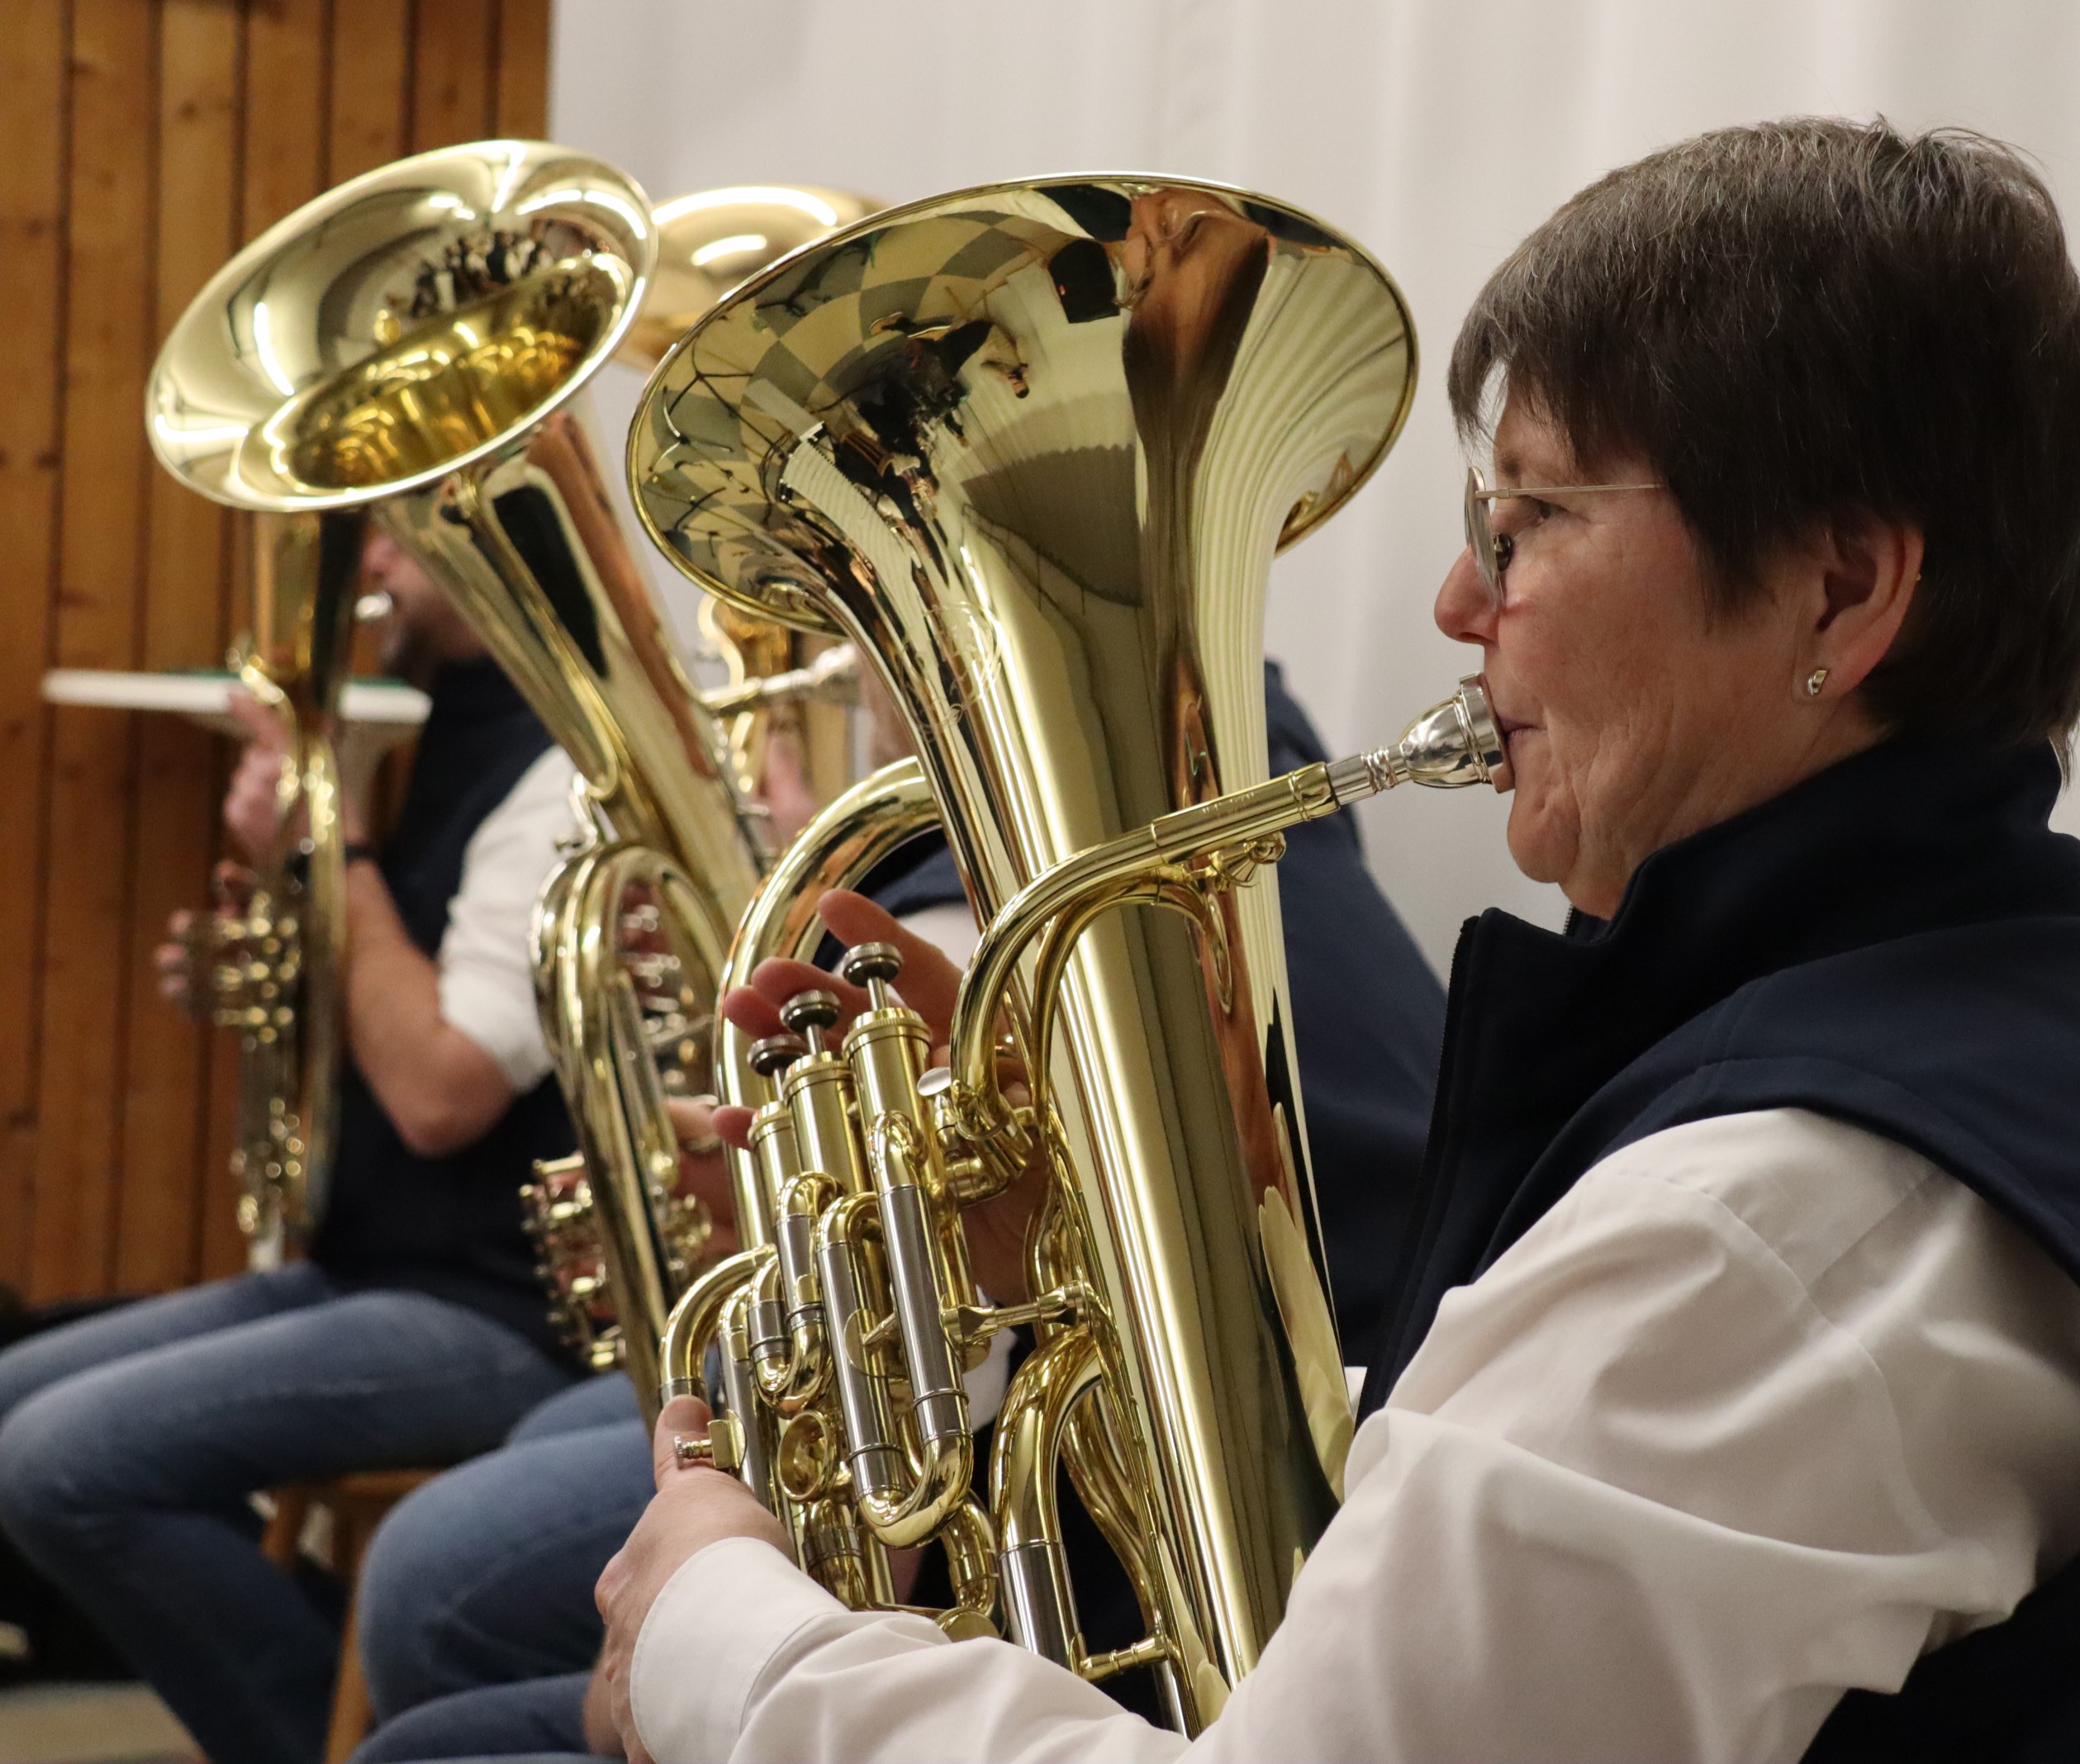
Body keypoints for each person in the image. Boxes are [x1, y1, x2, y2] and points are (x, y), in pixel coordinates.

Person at [591, 117, 2080, 1762]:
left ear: (1839, 589)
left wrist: (719, 1630)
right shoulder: (1990, 1035)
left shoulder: (1784, 1225)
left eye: (1527, 522)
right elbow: (1533, 1500)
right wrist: (1055, 1261)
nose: (1460, 601)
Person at [342, 663, 1446, 1763]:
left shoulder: (960, 917)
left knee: (430, 1613)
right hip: (1287, 1510)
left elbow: (876, 1552)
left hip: (1127, 1635)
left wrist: (682, 1622)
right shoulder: (1268, 808)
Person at [0, 531, 587, 1764]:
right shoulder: (444, 730)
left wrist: (331, 850)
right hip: (375, 1265)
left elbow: (440, 1091)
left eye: (399, 527)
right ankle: (360, 1724)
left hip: (509, 1309)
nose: (369, 561)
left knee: (62, 1464)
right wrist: (275, 947)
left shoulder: (561, 772)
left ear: (486, 539)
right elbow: (395, 1006)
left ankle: (357, 1739)